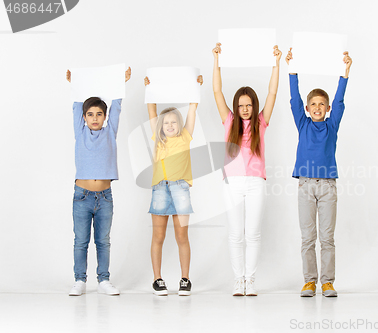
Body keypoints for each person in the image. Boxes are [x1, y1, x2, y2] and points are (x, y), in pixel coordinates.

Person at [212, 42, 281, 296]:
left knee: (252, 233)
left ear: (254, 105)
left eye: (248, 104)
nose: (244, 109)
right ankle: (238, 279)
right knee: (235, 234)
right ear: (236, 106)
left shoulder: (261, 122)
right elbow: (217, 91)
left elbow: (272, 93)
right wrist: (217, 60)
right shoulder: (229, 121)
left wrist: (276, 63)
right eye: (240, 105)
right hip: (231, 183)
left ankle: (250, 280)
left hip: (255, 183)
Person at [286, 48, 352, 297]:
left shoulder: (331, 125)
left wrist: (344, 72)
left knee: (327, 238)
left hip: (327, 187)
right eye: (313, 104)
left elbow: (340, 101)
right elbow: (293, 99)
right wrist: (292, 69)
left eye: (321, 104)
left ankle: (327, 282)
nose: (317, 107)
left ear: (326, 108)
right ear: (307, 107)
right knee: (307, 238)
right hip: (305, 185)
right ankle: (309, 281)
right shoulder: (302, 123)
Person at [67, 67, 131, 296]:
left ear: (104, 117)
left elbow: (117, 106)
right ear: (84, 118)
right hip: (82, 196)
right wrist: (74, 85)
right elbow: (76, 105)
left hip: (104, 197)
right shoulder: (80, 132)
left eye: (99, 114)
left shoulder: (110, 131)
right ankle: (79, 280)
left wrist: (120, 83)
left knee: (103, 241)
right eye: (90, 114)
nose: (95, 118)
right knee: (81, 241)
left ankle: (103, 279)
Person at [145, 75, 203, 296]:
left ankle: (185, 279)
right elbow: (151, 111)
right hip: (160, 189)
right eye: (166, 122)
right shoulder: (158, 139)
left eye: (173, 122)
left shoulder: (185, 136)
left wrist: (196, 85)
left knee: (181, 237)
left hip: (180, 190)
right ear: (161, 126)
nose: (170, 125)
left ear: (179, 125)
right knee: (158, 237)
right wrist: (149, 88)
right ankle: (157, 279)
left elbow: (192, 109)